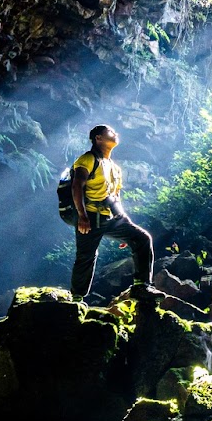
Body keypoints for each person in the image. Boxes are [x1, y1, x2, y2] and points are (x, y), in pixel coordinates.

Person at [69, 124, 155, 302]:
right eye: (110, 132)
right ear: (98, 138)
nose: (115, 133)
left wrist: (125, 226)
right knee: (86, 256)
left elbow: (115, 197)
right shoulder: (88, 159)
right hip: (90, 216)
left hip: (110, 217)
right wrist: (82, 216)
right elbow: (77, 185)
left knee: (141, 238)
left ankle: (142, 286)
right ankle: (76, 299)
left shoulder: (115, 168)